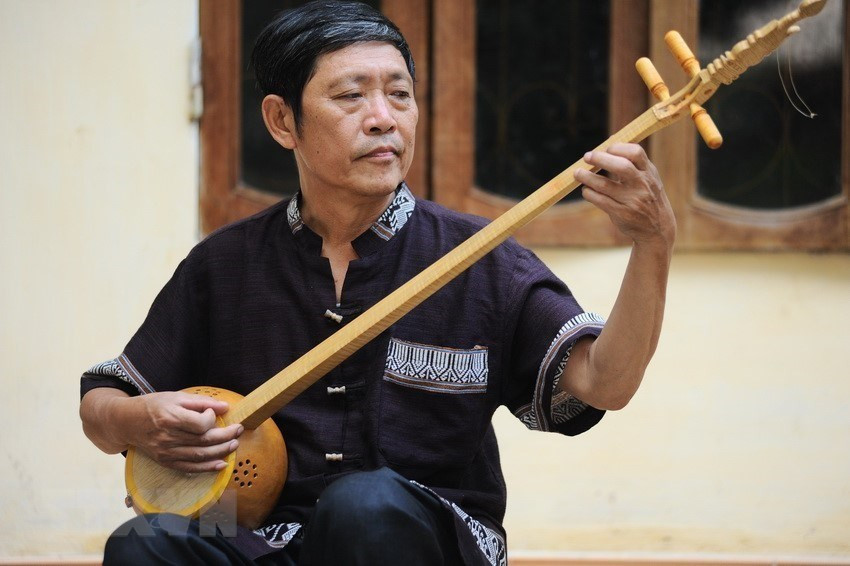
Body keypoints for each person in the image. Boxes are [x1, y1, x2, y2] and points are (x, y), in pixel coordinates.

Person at [79, 1, 676, 565]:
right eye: (350, 96)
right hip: (257, 536)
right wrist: (139, 422)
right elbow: (101, 405)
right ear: (282, 120)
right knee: (143, 542)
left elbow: (605, 381)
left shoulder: (480, 258)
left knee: (362, 507)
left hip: (428, 535)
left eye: (399, 95)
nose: (384, 119)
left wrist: (653, 244)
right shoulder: (224, 265)